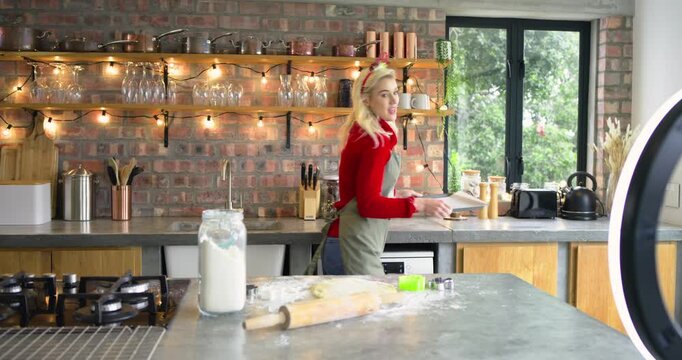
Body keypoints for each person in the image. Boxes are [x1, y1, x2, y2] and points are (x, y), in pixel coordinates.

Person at [305, 55, 451, 276]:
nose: (394, 101)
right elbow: (368, 205)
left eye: (395, 92)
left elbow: (363, 191)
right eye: (384, 95)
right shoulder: (375, 140)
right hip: (355, 245)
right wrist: (420, 205)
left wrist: (397, 194)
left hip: (351, 240)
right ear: (366, 100)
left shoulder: (364, 132)